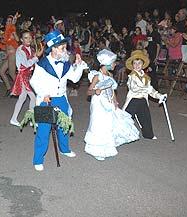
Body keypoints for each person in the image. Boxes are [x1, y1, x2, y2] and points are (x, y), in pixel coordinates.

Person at [29, 29, 87, 171]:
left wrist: (79, 65)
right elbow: (34, 81)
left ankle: (64, 149)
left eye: (65, 47)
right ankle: (38, 159)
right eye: (62, 48)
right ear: (53, 49)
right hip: (46, 100)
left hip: (61, 99)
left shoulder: (66, 63)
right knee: (43, 130)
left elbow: (74, 78)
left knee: (64, 126)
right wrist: (43, 94)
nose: (65, 50)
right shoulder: (42, 64)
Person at [84, 49, 140, 161]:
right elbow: (88, 91)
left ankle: (106, 146)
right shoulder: (97, 76)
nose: (115, 64)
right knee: (99, 124)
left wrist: (115, 101)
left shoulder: (109, 74)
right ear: (107, 63)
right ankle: (96, 148)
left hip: (108, 102)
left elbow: (112, 89)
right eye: (113, 62)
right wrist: (95, 91)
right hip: (99, 102)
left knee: (108, 123)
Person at [123, 50, 167, 139]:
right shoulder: (132, 76)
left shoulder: (146, 77)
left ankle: (148, 134)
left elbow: (150, 89)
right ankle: (119, 134)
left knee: (146, 118)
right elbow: (134, 88)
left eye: (139, 63)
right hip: (133, 100)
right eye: (135, 63)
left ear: (143, 65)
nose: (137, 65)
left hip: (142, 100)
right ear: (132, 65)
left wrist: (159, 96)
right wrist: (146, 88)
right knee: (125, 117)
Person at [9, 30, 44, 126]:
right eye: (25, 38)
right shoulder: (21, 50)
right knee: (32, 97)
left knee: (22, 98)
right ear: (21, 39)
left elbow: (33, 64)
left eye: (30, 37)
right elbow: (25, 64)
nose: (28, 39)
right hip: (23, 75)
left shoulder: (30, 49)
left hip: (27, 75)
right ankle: (32, 119)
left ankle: (14, 118)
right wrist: (37, 57)